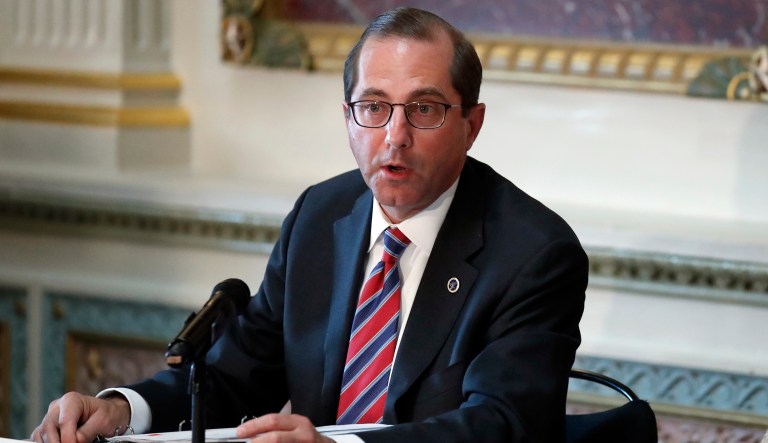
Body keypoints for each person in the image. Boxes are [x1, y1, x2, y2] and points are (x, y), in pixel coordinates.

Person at [32, 7, 587, 443]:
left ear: (471, 124)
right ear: (348, 118)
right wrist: (122, 410)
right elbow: (232, 378)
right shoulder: (320, 218)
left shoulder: (534, 254)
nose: (395, 137)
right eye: (374, 107)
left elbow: (502, 426)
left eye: (424, 109)